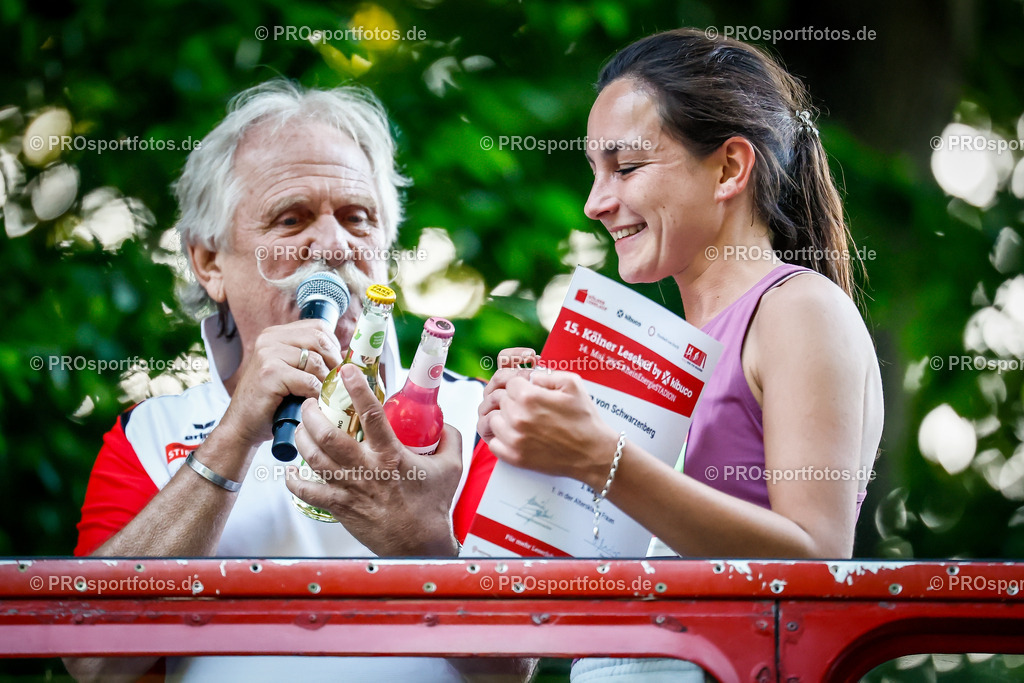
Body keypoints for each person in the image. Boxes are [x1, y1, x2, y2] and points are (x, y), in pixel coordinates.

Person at [473, 28, 884, 682]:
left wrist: (595, 455)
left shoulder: (798, 308)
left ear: (728, 167)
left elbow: (816, 563)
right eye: (593, 172)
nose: (595, 203)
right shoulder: (665, 352)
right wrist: (522, 453)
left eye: (626, 168)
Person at [64, 80, 495, 682]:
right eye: (291, 220)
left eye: (358, 218)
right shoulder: (147, 434)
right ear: (209, 262)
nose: (334, 244)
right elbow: (91, 657)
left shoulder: (475, 420)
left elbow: (512, 665)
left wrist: (422, 548)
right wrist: (235, 435)